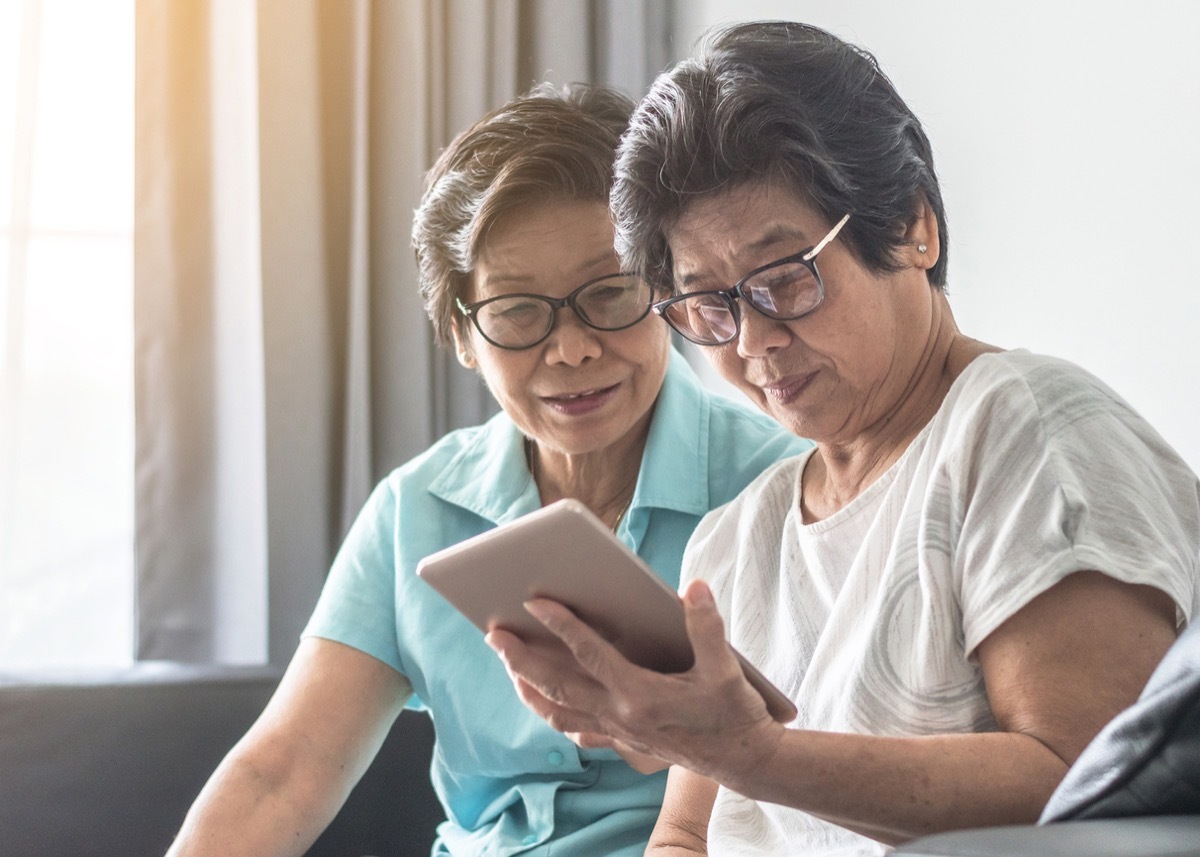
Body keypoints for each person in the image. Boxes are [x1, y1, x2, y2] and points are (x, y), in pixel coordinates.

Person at [486, 22, 1200, 856]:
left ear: (913, 229)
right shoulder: (737, 537)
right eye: (710, 306)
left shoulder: (1026, 429)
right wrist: (708, 749)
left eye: (785, 278)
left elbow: (1084, 788)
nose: (751, 343)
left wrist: (756, 755)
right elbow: (686, 832)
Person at [164, 83, 810, 857]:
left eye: (609, 293)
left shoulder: (783, 485)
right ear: (462, 336)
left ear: (669, 292)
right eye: (516, 311)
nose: (571, 350)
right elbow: (284, 772)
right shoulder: (415, 510)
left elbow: (809, 769)